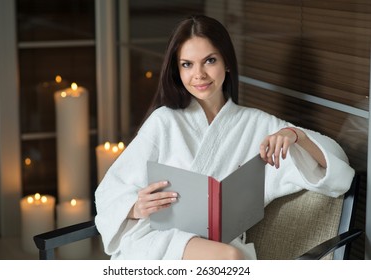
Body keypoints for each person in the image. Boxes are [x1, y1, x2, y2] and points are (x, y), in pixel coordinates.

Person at [94, 15, 355, 260]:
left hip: (218, 245)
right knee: (231, 258)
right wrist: (135, 207)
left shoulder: (257, 125)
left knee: (230, 256)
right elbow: (110, 191)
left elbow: (336, 166)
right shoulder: (164, 121)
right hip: (158, 238)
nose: (199, 75)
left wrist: (295, 135)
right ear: (177, 70)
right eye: (187, 64)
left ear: (227, 62)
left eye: (210, 61)